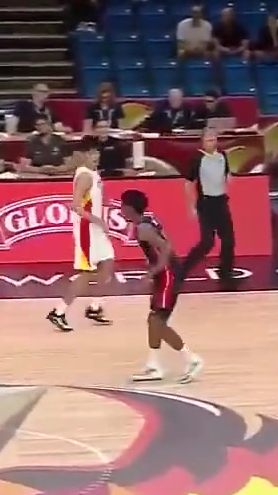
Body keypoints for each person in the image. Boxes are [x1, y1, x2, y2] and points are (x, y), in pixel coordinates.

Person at [119, 189, 203, 384]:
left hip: (167, 275)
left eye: (123, 205)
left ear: (130, 208)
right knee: (154, 321)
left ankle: (192, 360)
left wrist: (153, 272)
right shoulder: (148, 220)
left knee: (157, 322)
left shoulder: (143, 229)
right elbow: (165, 242)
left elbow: (166, 247)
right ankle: (154, 365)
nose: (121, 209)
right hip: (165, 274)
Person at [46, 142, 114, 332]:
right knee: (86, 274)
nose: (96, 156)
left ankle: (95, 308)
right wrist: (98, 220)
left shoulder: (94, 173)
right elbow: (75, 205)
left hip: (95, 230)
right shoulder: (84, 175)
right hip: (87, 231)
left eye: (97, 152)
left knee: (107, 265)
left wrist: (104, 203)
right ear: (83, 155)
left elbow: (94, 199)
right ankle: (58, 312)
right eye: (91, 153)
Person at [179, 128, 236, 288]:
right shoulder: (198, 159)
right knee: (207, 242)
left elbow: (227, 173)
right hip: (206, 203)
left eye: (214, 139)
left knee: (229, 240)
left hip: (221, 202)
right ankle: (182, 270)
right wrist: (191, 206)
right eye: (209, 140)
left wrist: (228, 179)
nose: (212, 142)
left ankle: (225, 271)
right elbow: (188, 183)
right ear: (203, 142)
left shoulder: (222, 155)